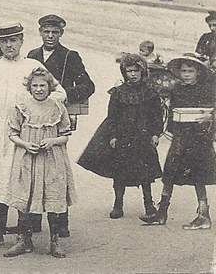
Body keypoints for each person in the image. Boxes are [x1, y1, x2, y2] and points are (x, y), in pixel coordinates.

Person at [0, 21, 66, 249]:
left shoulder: (32, 65)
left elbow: (59, 92)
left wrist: (37, 105)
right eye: (3, 41)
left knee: (22, 183)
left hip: (24, 136)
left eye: (13, 40)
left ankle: (25, 236)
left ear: (21, 41)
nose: (8, 45)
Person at [77, 53, 163, 220]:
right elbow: (112, 117)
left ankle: (149, 204)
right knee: (120, 172)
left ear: (142, 72)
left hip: (143, 137)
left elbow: (157, 116)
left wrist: (155, 134)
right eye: (129, 71)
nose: (133, 74)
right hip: (124, 137)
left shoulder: (151, 93)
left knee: (145, 173)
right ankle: (118, 204)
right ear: (124, 73)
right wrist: (113, 136)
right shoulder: (118, 93)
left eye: (136, 71)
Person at [3, 67, 76, 259]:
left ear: (49, 87)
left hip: (52, 159)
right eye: (34, 85)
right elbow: (12, 134)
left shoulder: (58, 106)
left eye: (42, 85)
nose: (38, 89)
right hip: (28, 158)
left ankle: (54, 242)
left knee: (52, 197)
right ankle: (24, 240)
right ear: (29, 87)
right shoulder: (20, 106)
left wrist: (52, 141)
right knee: (25, 196)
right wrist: (25, 144)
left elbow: (66, 135)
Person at [141, 54, 215, 229]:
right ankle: (162, 212)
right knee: (170, 173)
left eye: (191, 71)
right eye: (184, 71)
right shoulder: (177, 90)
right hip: (181, 137)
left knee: (198, 175)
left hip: (200, 138)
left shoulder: (207, 90)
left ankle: (204, 214)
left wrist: (209, 117)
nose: (187, 74)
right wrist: (170, 131)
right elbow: (173, 113)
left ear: (198, 72)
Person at [31, 14, 95, 136]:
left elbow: (88, 86)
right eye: (46, 32)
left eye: (55, 32)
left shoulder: (69, 56)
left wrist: (64, 94)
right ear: (40, 32)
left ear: (61, 33)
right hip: (35, 114)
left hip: (59, 114)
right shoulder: (32, 55)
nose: (50, 36)